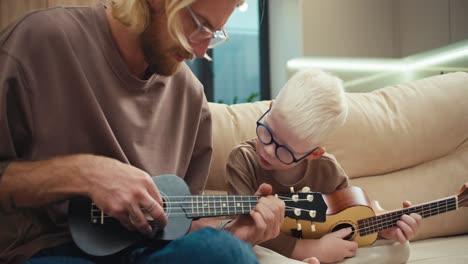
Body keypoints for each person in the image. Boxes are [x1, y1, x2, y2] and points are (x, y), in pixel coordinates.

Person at [0, 0, 286, 263]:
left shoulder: (189, 97)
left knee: (223, 252)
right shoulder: (41, 41)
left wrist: (237, 236)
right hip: (44, 250)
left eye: (214, 35)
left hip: (144, 253)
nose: (198, 51)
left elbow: (175, 225)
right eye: (199, 25)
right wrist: (84, 173)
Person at [226, 69, 423, 263]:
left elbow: (351, 217)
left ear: (313, 154)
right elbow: (244, 231)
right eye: (268, 132)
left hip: (325, 251)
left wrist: (383, 228)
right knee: (252, 253)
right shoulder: (242, 160)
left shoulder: (327, 169)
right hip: (270, 251)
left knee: (398, 250)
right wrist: (308, 250)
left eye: (284, 151)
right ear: (270, 108)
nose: (268, 150)